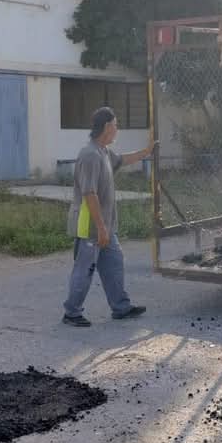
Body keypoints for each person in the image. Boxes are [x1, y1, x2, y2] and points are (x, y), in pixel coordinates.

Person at [62, 106, 155, 327]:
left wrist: (146, 152)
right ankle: (72, 313)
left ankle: (121, 307)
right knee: (84, 270)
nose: (117, 129)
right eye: (116, 125)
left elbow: (122, 160)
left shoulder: (103, 152)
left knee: (114, 263)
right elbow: (89, 193)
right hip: (90, 227)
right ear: (106, 127)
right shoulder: (90, 155)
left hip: (105, 226)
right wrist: (101, 228)